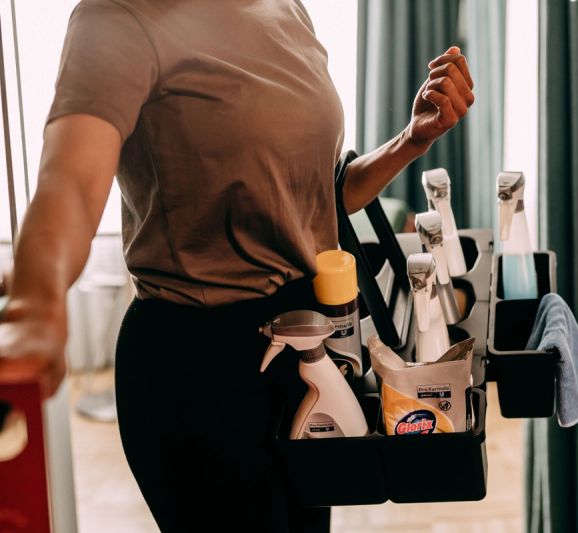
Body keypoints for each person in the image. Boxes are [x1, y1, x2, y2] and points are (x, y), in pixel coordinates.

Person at [0, 0, 474, 531]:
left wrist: (413, 140)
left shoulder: (285, 9)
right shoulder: (118, 16)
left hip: (306, 356)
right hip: (201, 370)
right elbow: (70, 179)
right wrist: (35, 302)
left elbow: (322, 194)